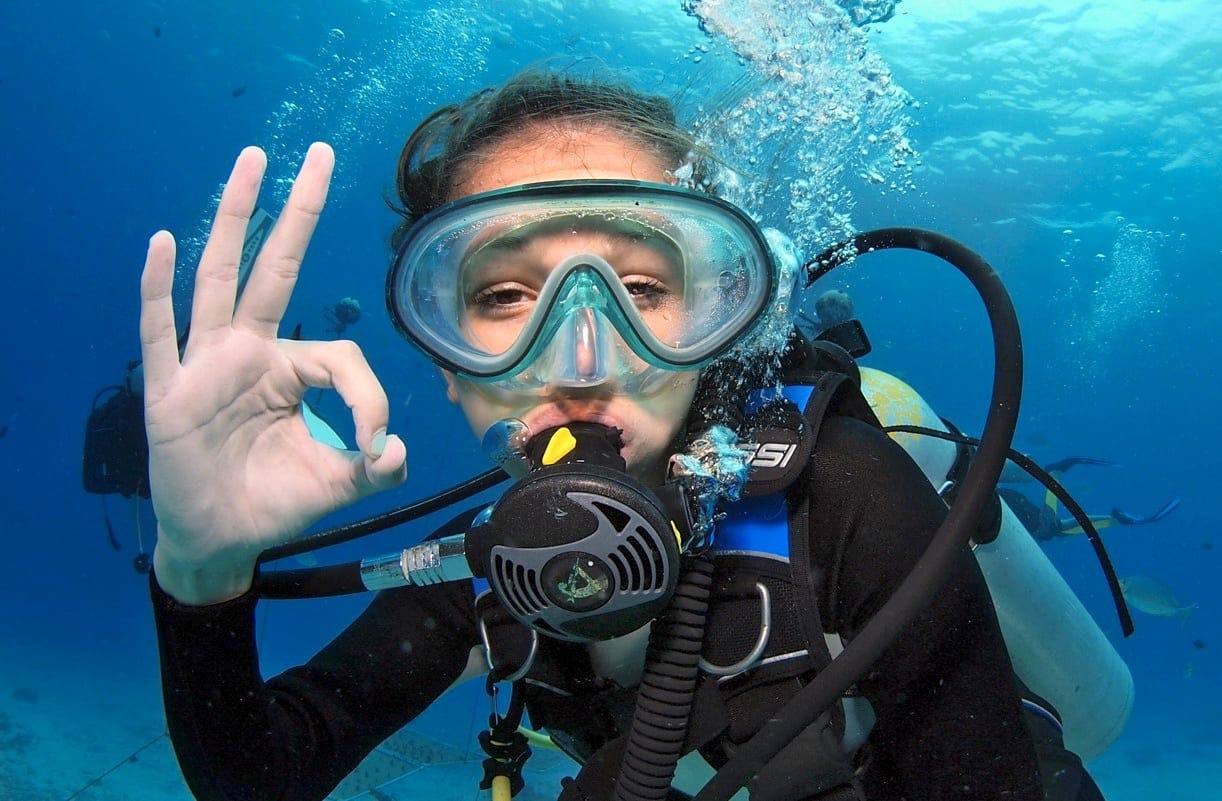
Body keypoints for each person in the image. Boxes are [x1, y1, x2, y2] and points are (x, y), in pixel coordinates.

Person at [142, 70, 1101, 801]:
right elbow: (260, 774)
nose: (585, 355)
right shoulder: (478, 574)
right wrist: (199, 569)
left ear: (716, 323)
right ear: (442, 360)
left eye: (643, 289)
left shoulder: (848, 501)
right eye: (505, 295)